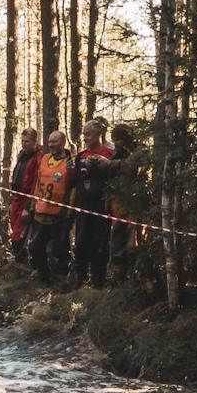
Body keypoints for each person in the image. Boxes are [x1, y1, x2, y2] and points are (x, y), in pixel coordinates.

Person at [68, 119, 118, 288]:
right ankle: (79, 280)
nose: (85, 138)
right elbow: (74, 182)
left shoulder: (109, 154)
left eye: (88, 134)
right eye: (84, 135)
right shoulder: (80, 156)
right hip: (82, 207)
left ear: (99, 135)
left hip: (101, 207)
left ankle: (98, 282)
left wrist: (99, 167)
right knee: (81, 242)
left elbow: (114, 179)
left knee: (99, 244)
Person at [27, 129, 73, 284]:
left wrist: (70, 211)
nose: (51, 145)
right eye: (49, 142)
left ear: (63, 142)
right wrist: (32, 206)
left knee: (57, 250)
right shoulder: (45, 159)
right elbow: (37, 184)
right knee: (35, 247)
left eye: (55, 141)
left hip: (59, 216)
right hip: (40, 212)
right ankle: (43, 277)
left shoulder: (70, 162)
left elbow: (73, 189)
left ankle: (60, 280)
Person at [106, 123, 141, 281]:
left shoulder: (138, 153)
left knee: (133, 243)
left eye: (118, 140)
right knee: (117, 243)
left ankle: (134, 276)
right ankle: (118, 278)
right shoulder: (116, 154)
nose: (116, 144)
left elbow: (132, 167)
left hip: (135, 206)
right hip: (118, 207)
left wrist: (110, 164)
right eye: (113, 140)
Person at [8, 129, 42, 264]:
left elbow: (35, 183)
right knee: (14, 231)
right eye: (22, 141)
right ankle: (19, 263)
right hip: (16, 198)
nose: (24, 144)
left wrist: (28, 206)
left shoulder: (38, 157)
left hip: (26, 200)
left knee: (20, 234)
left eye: (27, 141)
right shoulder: (22, 155)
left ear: (34, 142)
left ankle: (23, 263)